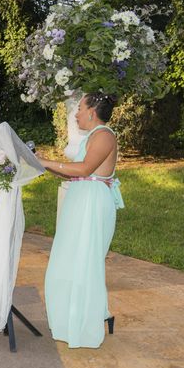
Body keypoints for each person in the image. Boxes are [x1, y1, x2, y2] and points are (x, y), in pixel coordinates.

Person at [37, 93, 124, 349]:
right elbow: (77, 172)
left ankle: (84, 325)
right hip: (81, 200)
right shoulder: (93, 136)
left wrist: (44, 161)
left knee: (84, 261)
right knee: (69, 259)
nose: (75, 114)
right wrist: (40, 162)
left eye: (79, 109)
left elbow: (85, 170)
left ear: (91, 111)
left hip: (92, 204)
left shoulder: (104, 135)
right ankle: (71, 320)